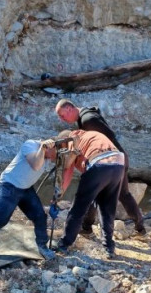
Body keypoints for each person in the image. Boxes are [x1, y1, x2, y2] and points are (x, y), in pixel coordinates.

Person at [54, 99, 146, 236]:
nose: (62, 119)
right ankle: (140, 227)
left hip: (111, 160)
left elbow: (109, 137)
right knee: (120, 194)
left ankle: (89, 228)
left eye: (62, 115)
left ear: (69, 109)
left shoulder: (87, 120)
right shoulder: (85, 116)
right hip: (117, 158)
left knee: (103, 192)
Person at [0, 139, 57, 260]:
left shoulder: (48, 155)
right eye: (55, 153)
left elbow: (65, 166)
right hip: (9, 185)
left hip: (26, 188)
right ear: (49, 147)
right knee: (1, 218)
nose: (54, 158)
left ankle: (42, 246)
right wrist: (43, 148)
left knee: (39, 215)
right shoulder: (31, 145)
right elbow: (36, 165)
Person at [54, 129, 125, 259]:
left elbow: (67, 169)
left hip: (99, 164)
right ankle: (109, 247)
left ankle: (64, 244)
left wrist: (58, 195)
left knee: (78, 207)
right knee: (107, 207)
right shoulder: (89, 135)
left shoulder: (72, 139)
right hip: (119, 164)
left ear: (64, 142)